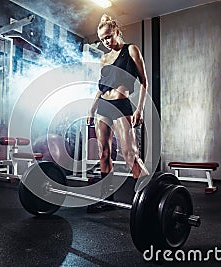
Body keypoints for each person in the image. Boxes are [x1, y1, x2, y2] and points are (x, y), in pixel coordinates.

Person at [86, 14, 150, 213]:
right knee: (103, 153)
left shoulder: (131, 49)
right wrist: (92, 107)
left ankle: (148, 197)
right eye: (103, 39)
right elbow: (102, 87)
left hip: (122, 104)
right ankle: (107, 199)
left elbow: (144, 81)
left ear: (117, 31)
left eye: (108, 36)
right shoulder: (104, 58)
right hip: (104, 105)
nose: (106, 42)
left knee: (130, 153)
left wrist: (140, 109)